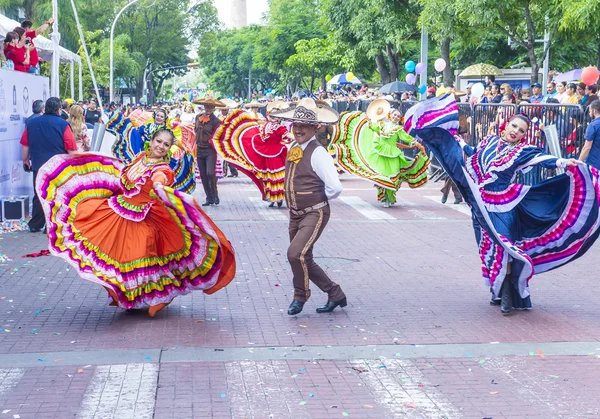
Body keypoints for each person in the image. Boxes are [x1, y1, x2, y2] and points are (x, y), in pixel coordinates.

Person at [405, 97, 600, 315]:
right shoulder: (489, 141)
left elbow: (542, 159)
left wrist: (563, 162)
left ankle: (507, 294)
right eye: (514, 126)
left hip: (504, 205)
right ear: (506, 125)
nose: (516, 131)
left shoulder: (523, 151)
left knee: (506, 247)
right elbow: (472, 152)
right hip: (481, 206)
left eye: (521, 130)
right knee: (486, 248)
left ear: (524, 135)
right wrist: (458, 142)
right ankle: (497, 292)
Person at [34, 128, 236, 316]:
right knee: (110, 249)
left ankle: (141, 297)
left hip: (145, 217)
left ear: (169, 149)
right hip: (119, 209)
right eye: (158, 141)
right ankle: (126, 295)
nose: (161, 146)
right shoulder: (141, 158)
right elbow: (125, 178)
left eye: (166, 144)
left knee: (137, 257)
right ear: (151, 141)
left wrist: (158, 184)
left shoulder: (163, 169)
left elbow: (160, 178)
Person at [271, 99, 347, 315]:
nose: (298, 129)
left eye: (304, 125)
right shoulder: (293, 147)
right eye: (295, 124)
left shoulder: (319, 153)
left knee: (295, 254)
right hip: (295, 214)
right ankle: (335, 294)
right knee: (304, 258)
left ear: (315, 127)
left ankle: (300, 296)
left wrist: (316, 199)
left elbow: (335, 187)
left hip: (315, 212)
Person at [330, 98, 429, 207]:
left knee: (394, 177)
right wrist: (371, 117)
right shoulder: (381, 124)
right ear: (390, 115)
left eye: (398, 116)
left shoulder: (399, 129)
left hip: (393, 155)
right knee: (383, 176)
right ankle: (385, 198)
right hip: (380, 153)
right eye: (394, 115)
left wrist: (419, 145)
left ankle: (390, 197)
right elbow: (371, 126)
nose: (396, 117)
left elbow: (407, 138)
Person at [20, 97, 78, 232]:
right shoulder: (63, 125)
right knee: (57, 195)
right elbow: (71, 147)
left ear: (45, 109)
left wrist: (25, 160)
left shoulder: (32, 123)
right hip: (57, 167)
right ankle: (52, 224)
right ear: (59, 110)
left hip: (38, 165)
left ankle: (35, 224)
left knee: (39, 194)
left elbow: (25, 145)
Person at [194, 98, 223, 206]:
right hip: (199, 150)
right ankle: (209, 198)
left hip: (210, 150)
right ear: (204, 107)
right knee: (203, 175)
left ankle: (215, 194)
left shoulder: (216, 121)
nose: (208, 109)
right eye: (207, 106)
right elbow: (195, 131)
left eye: (211, 107)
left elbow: (220, 136)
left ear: (214, 108)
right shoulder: (197, 117)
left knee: (210, 173)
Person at [578, 100, 600, 169]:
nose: (589, 113)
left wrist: (579, 162)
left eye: (590, 111)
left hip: (594, 162)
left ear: (594, 111)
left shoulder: (593, 125)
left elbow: (587, 147)